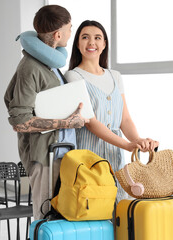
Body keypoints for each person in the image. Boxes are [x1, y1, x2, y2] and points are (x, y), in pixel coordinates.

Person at [4, 5, 89, 220]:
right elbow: (20, 122)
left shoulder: (51, 65)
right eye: (70, 28)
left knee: (61, 217)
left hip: (63, 152)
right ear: (58, 34)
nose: (71, 33)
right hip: (43, 157)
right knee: (44, 217)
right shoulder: (30, 67)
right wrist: (66, 123)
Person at [65, 20, 159, 201]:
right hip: (88, 154)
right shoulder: (73, 76)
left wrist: (138, 141)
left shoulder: (115, 76)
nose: (91, 42)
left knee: (118, 208)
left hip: (115, 156)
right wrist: (126, 145)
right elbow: (90, 122)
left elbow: (125, 120)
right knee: (93, 206)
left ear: (104, 44)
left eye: (97, 38)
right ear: (77, 44)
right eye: (85, 37)